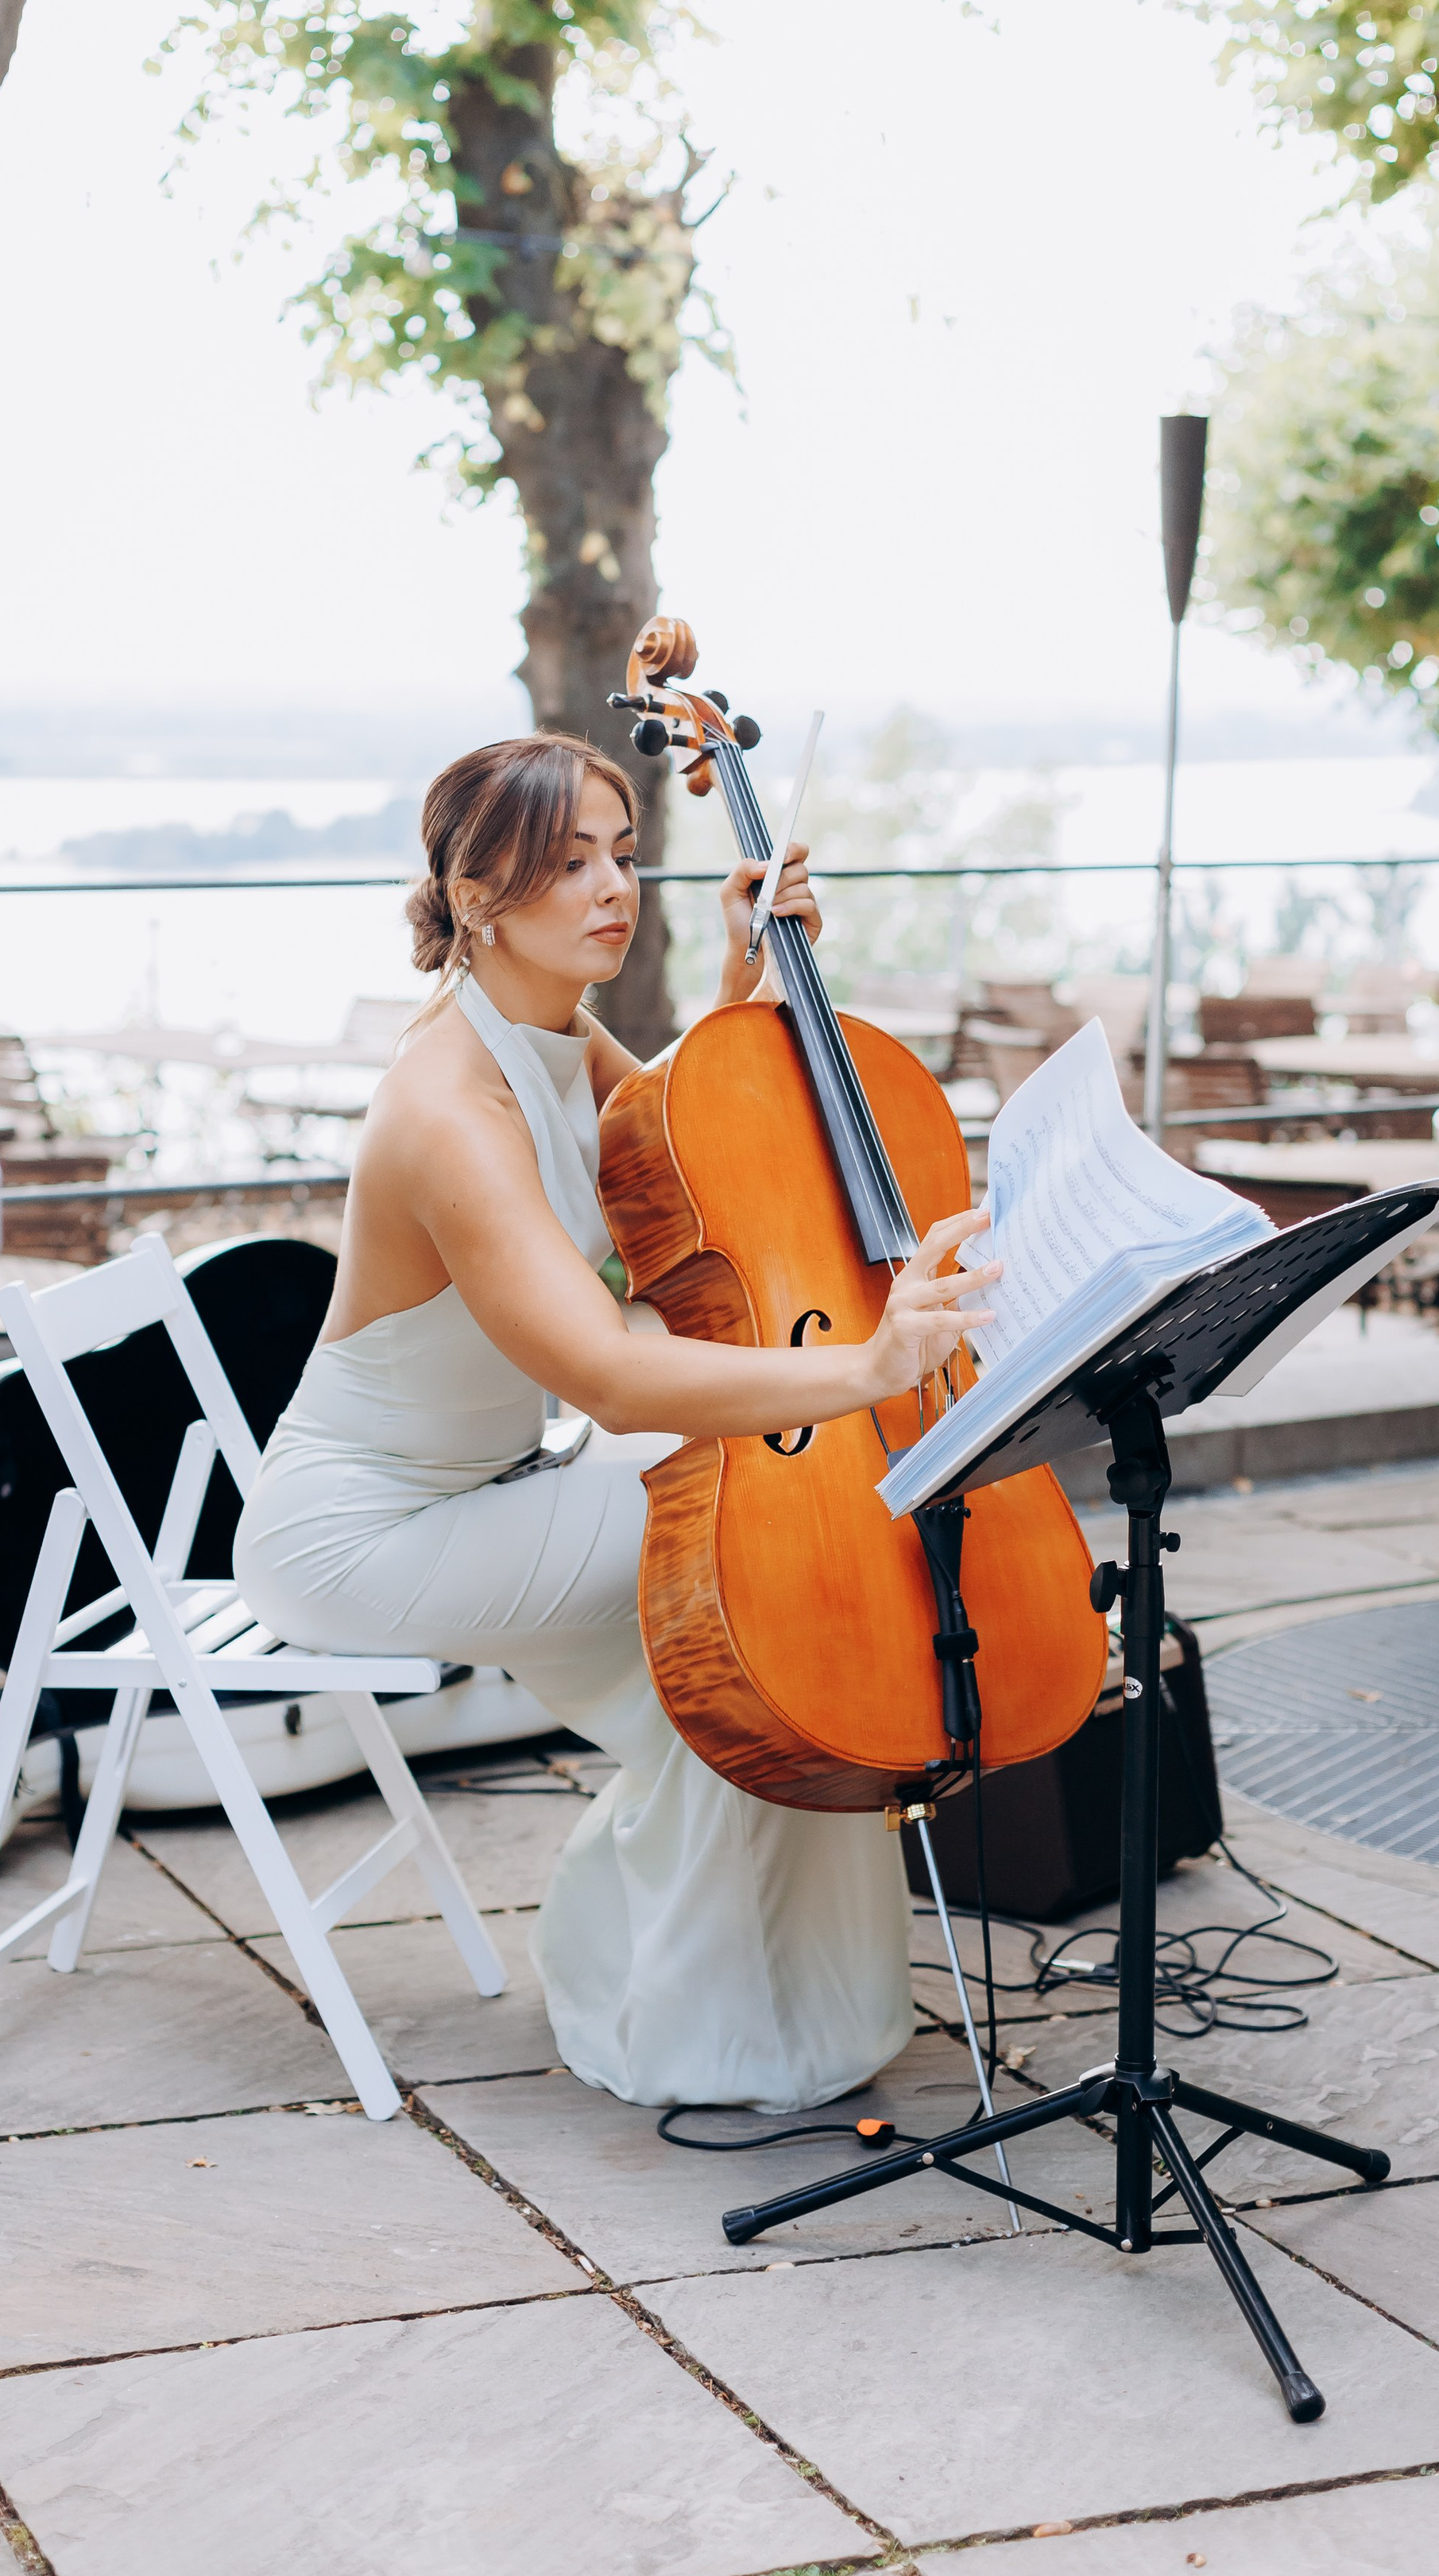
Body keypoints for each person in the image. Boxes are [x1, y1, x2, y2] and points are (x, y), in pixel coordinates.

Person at [233, 730, 996, 2110]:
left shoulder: (550, 1032)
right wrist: (869, 1371)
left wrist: (740, 977)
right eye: (568, 862)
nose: (611, 888)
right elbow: (608, 1373)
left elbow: (676, 1157)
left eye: (625, 855)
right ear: (475, 897)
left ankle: (763, 2017)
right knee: (747, 1551)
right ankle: (678, 2024)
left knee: (739, 1653)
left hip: (482, 1491)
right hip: (365, 1532)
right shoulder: (447, 1109)